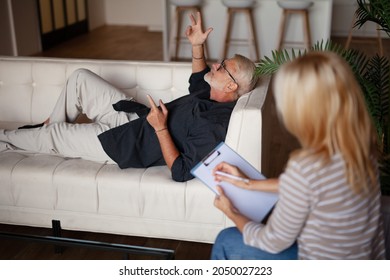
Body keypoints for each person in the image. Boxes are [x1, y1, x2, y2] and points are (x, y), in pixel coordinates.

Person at [0, 12, 258, 182]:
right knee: (80, 77)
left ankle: (19, 137)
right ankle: (46, 130)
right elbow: (197, 77)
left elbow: (180, 172)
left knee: (53, 134)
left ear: (230, 87)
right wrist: (197, 45)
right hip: (131, 115)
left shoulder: (214, 126)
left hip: (124, 143)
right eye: (221, 62)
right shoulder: (211, 93)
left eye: (223, 67)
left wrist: (160, 129)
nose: (216, 65)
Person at [211, 52, 386, 259]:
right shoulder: (361, 146)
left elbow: (271, 241)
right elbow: (315, 184)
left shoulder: (306, 166)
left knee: (225, 240)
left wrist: (231, 212)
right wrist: (248, 183)